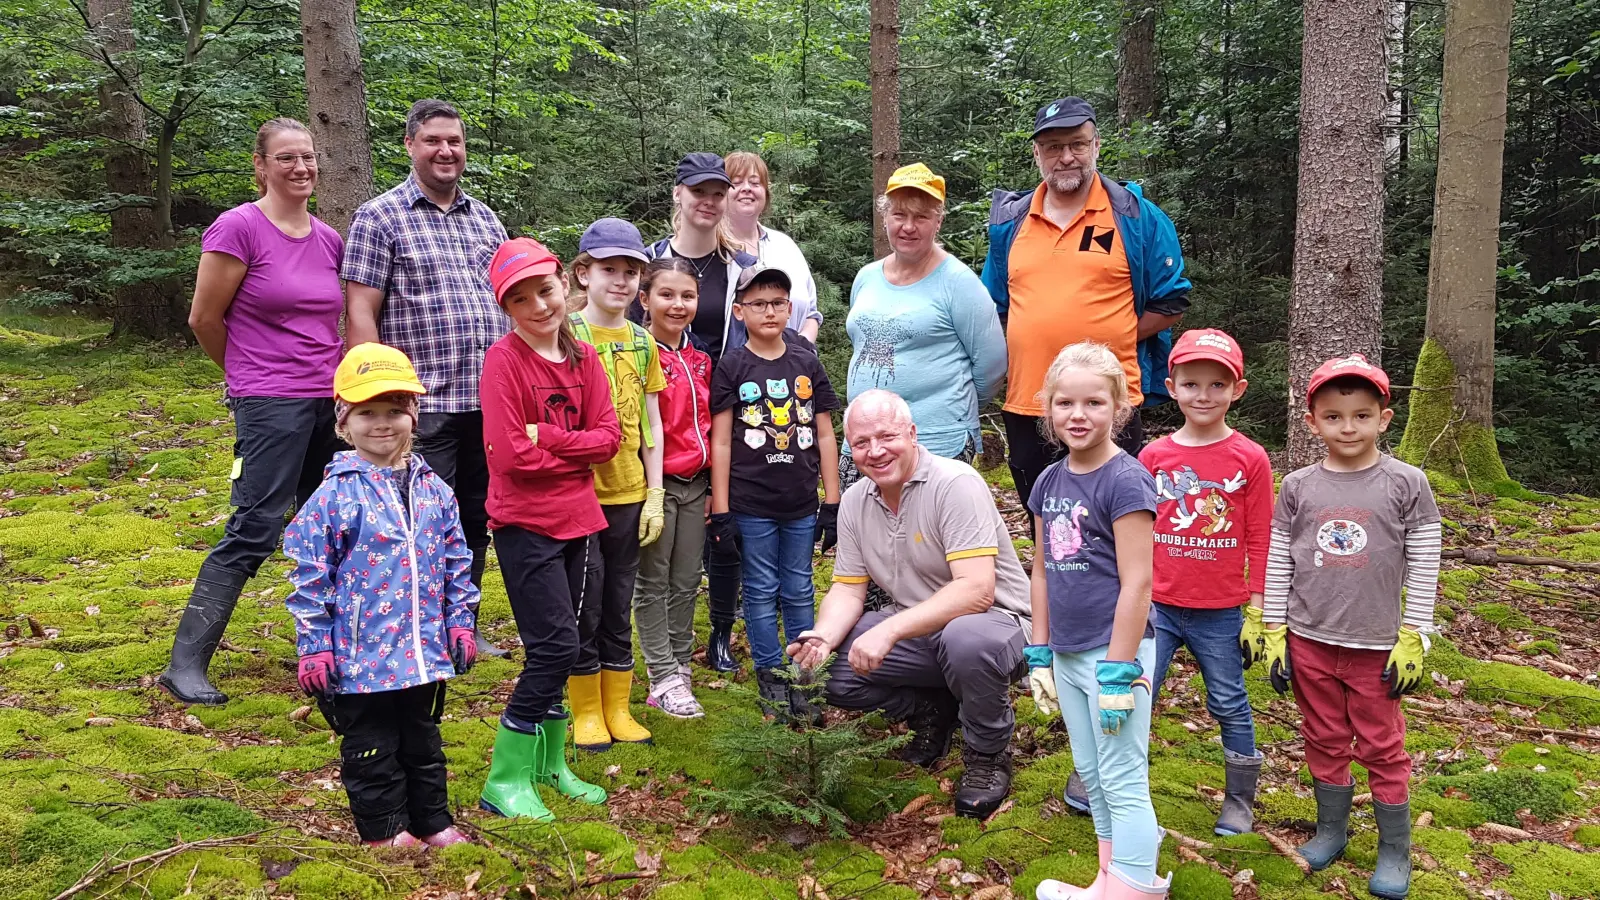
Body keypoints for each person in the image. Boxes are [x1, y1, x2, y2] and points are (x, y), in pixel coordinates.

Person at [159, 117, 346, 706]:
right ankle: (186, 662)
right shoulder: (238, 227)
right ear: (261, 167)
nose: (301, 167)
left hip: (329, 400)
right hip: (270, 400)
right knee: (256, 526)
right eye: (286, 158)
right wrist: (246, 377)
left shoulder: (328, 238)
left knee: (326, 527)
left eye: (308, 157)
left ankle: (324, 649)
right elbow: (203, 319)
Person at [789, 390, 1031, 821]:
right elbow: (847, 589)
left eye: (887, 436)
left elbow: (976, 591)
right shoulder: (856, 502)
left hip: (998, 624)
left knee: (966, 639)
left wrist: (890, 629)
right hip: (921, 631)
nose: (875, 451)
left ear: (913, 434)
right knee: (831, 671)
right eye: (861, 443)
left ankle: (987, 752)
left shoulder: (955, 484)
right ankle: (933, 711)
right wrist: (822, 637)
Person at [1259, 354, 1440, 900]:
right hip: (1309, 637)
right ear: (1312, 421)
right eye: (1334, 416)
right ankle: (1331, 830)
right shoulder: (1297, 486)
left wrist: (1416, 633)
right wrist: (1271, 628)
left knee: (1382, 745)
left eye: (1361, 415)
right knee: (1324, 737)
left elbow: (1426, 558)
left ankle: (1393, 849)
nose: (1348, 427)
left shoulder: (1407, 483)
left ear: (1384, 418)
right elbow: (1277, 558)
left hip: (1377, 646)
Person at [281, 343, 476, 849]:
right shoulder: (333, 496)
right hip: (358, 658)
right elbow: (309, 580)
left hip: (423, 651)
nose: (382, 424)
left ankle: (432, 822)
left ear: (414, 415)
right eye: (367, 413)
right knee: (371, 747)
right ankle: (384, 832)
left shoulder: (435, 489)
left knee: (423, 741)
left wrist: (460, 620)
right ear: (344, 422)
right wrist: (314, 645)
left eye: (395, 411)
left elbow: (458, 559)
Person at [342, 99, 510, 661]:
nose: (446, 151)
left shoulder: (486, 218)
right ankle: (412, 620)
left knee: (474, 515)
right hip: (424, 399)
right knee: (417, 516)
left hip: (487, 398)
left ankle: (464, 624)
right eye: (434, 141)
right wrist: (375, 396)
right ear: (411, 146)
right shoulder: (379, 216)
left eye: (455, 142)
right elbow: (361, 311)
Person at [981, 96, 1192, 513]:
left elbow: (1171, 302)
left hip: (1108, 401)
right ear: (1037, 154)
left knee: (1114, 516)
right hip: (1030, 401)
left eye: (1077, 144)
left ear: (1096, 146)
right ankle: (1048, 581)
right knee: (1042, 518)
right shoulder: (1011, 222)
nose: (1066, 157)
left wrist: (1100, 348)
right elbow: (996, 307)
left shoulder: (1135, 216)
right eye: (1054, 148)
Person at [477, 238, 620, 821]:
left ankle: (549, 764)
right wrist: (574, 452)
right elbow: (509, 457)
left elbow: (610, 440)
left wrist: (551, 438)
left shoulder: (585, 359)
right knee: (553, 646)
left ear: (566, 284)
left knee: (574, 643)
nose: (539, 306)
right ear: (506, 308)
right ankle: (505, 778)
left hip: (581, 523)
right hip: (525, 526)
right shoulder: (504, 362)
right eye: (521, 298)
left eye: (545, 290)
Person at [1026, 342, 1166, 900]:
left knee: (1125, 778)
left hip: (1116, 659)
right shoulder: (1048, 482)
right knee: (1093, 775)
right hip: (1066, 652)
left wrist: (1118, 668)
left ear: (1119, 407)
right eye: (1064, 403)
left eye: (1093, 403)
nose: (1077, 415)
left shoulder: (1126, 481)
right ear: (1048, 409)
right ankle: (1108, 880)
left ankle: (1134, 888)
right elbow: (1040, 572)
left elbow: (1139, 582)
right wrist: (1040, 652)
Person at [1139, 329, 1272, 836]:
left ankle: (1239, 797)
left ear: (1236, 389)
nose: (1203, 395)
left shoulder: (1250, 459)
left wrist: (1258, 610)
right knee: (1137, 689)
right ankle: (1110, 777)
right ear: (1171, 386)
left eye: (1217, 385)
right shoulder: (1153, 457)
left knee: (1228, 698)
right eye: (1191, 383)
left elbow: (1260, 537)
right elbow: (1132, 532)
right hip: (1156, 604)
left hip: (1220, 608)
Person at [709, 265, 840, 722]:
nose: (770, 311)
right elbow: (721, 440)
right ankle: (772, 678)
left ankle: (805, 679)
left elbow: (825, 433)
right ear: (740, 311)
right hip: (751, 503)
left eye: (778, 302)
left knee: (801, 588)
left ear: (791, 308)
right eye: (759, 304)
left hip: (802, 501)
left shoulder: (806, 361)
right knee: (761, 590)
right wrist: (721, 509)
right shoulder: (732, 365)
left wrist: (833, 501)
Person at [842, 162, 1006, 492]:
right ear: (885, 217)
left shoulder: (959, 283)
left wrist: (949, 405)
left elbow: (992, 366)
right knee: (866, 538)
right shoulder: (867, 278)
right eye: (899, 215)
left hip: (936, 445)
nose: (908, 226)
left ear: (938, 221)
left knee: (925, 541)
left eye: (921, 217)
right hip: (863, 445)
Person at [565, 218, 664, 750]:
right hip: (581, 492)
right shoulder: (566, 333)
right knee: (588, 597)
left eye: (630, 271)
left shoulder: (643, 341)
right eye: (609, 270)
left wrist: (656, 490)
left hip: (629, 492)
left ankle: (617, 706)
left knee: (620, 594)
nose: (620, 281)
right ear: (584, 274)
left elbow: (652, 421)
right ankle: (584, 709)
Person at [634, 258, 718, 716]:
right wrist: (649, 490)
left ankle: (681, 667)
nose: (678, 304)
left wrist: (710, 488)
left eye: (687, 296)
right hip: (656, 484)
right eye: (667, 294)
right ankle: (661, 674)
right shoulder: (638, 353)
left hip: (696, 483)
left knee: (687, 581)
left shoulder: (700, 358)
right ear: (645, 300)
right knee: (653, 581)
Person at [724, 150, 823, 344]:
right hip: (737, 370)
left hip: (796, 366)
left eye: (755, 183)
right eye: (736, 183)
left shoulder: (785, 246)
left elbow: (811, 313)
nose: (747, 189)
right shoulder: (713, 249)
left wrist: (799, 352)